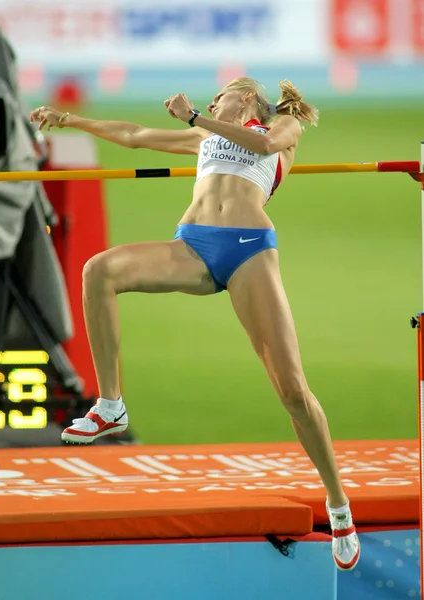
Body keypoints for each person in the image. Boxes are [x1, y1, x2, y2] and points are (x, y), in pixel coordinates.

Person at [30, 78, 360, 570]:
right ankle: (110, 404)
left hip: (248, 252)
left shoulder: (279, 126)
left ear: (246, 97)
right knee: (98, 269)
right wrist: (73, 120)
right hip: (192, 247)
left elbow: (265, 145)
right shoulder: (206, 136)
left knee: (292, 390)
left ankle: (339, 506)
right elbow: (135, 134)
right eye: (208, 103)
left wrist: (194, 118)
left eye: (220, 96)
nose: (211, 103)